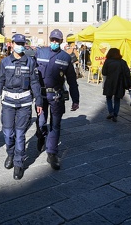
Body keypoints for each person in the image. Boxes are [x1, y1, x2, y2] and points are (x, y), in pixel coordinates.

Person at [0, 34, 43, 180]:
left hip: (24, 103)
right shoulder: (5, 62)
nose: (20, 45)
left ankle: (19, 163)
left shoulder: (30, 62)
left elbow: (35, 83)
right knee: (8, 133)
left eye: (22, 43)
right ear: (12, 44)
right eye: (17, 43)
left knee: (20, 134)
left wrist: (38, 102)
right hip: (8, 103)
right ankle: (10, 153)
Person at [34, 29, 80, 170]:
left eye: (57, 40)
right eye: (52, 39)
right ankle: (41, 135)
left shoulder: (66, 58)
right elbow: (31, 75)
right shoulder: (40, 53)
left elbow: (72, 80)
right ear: (49, 39)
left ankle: (52, 153)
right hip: (41, 96)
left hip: (56, 96)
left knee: (55, 125)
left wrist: (75, 99)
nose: (54, 42)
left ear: (61, 41)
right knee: (41, 123)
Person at [102, 48, 131, 122]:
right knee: (117, 99)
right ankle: (115, 114)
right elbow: (127, 74)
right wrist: (130, 84)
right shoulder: (123, 62)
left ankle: (111, 112)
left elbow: (104, 73)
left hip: (109, 82)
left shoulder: (107, 61)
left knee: (108, 98)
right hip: (120, 83)